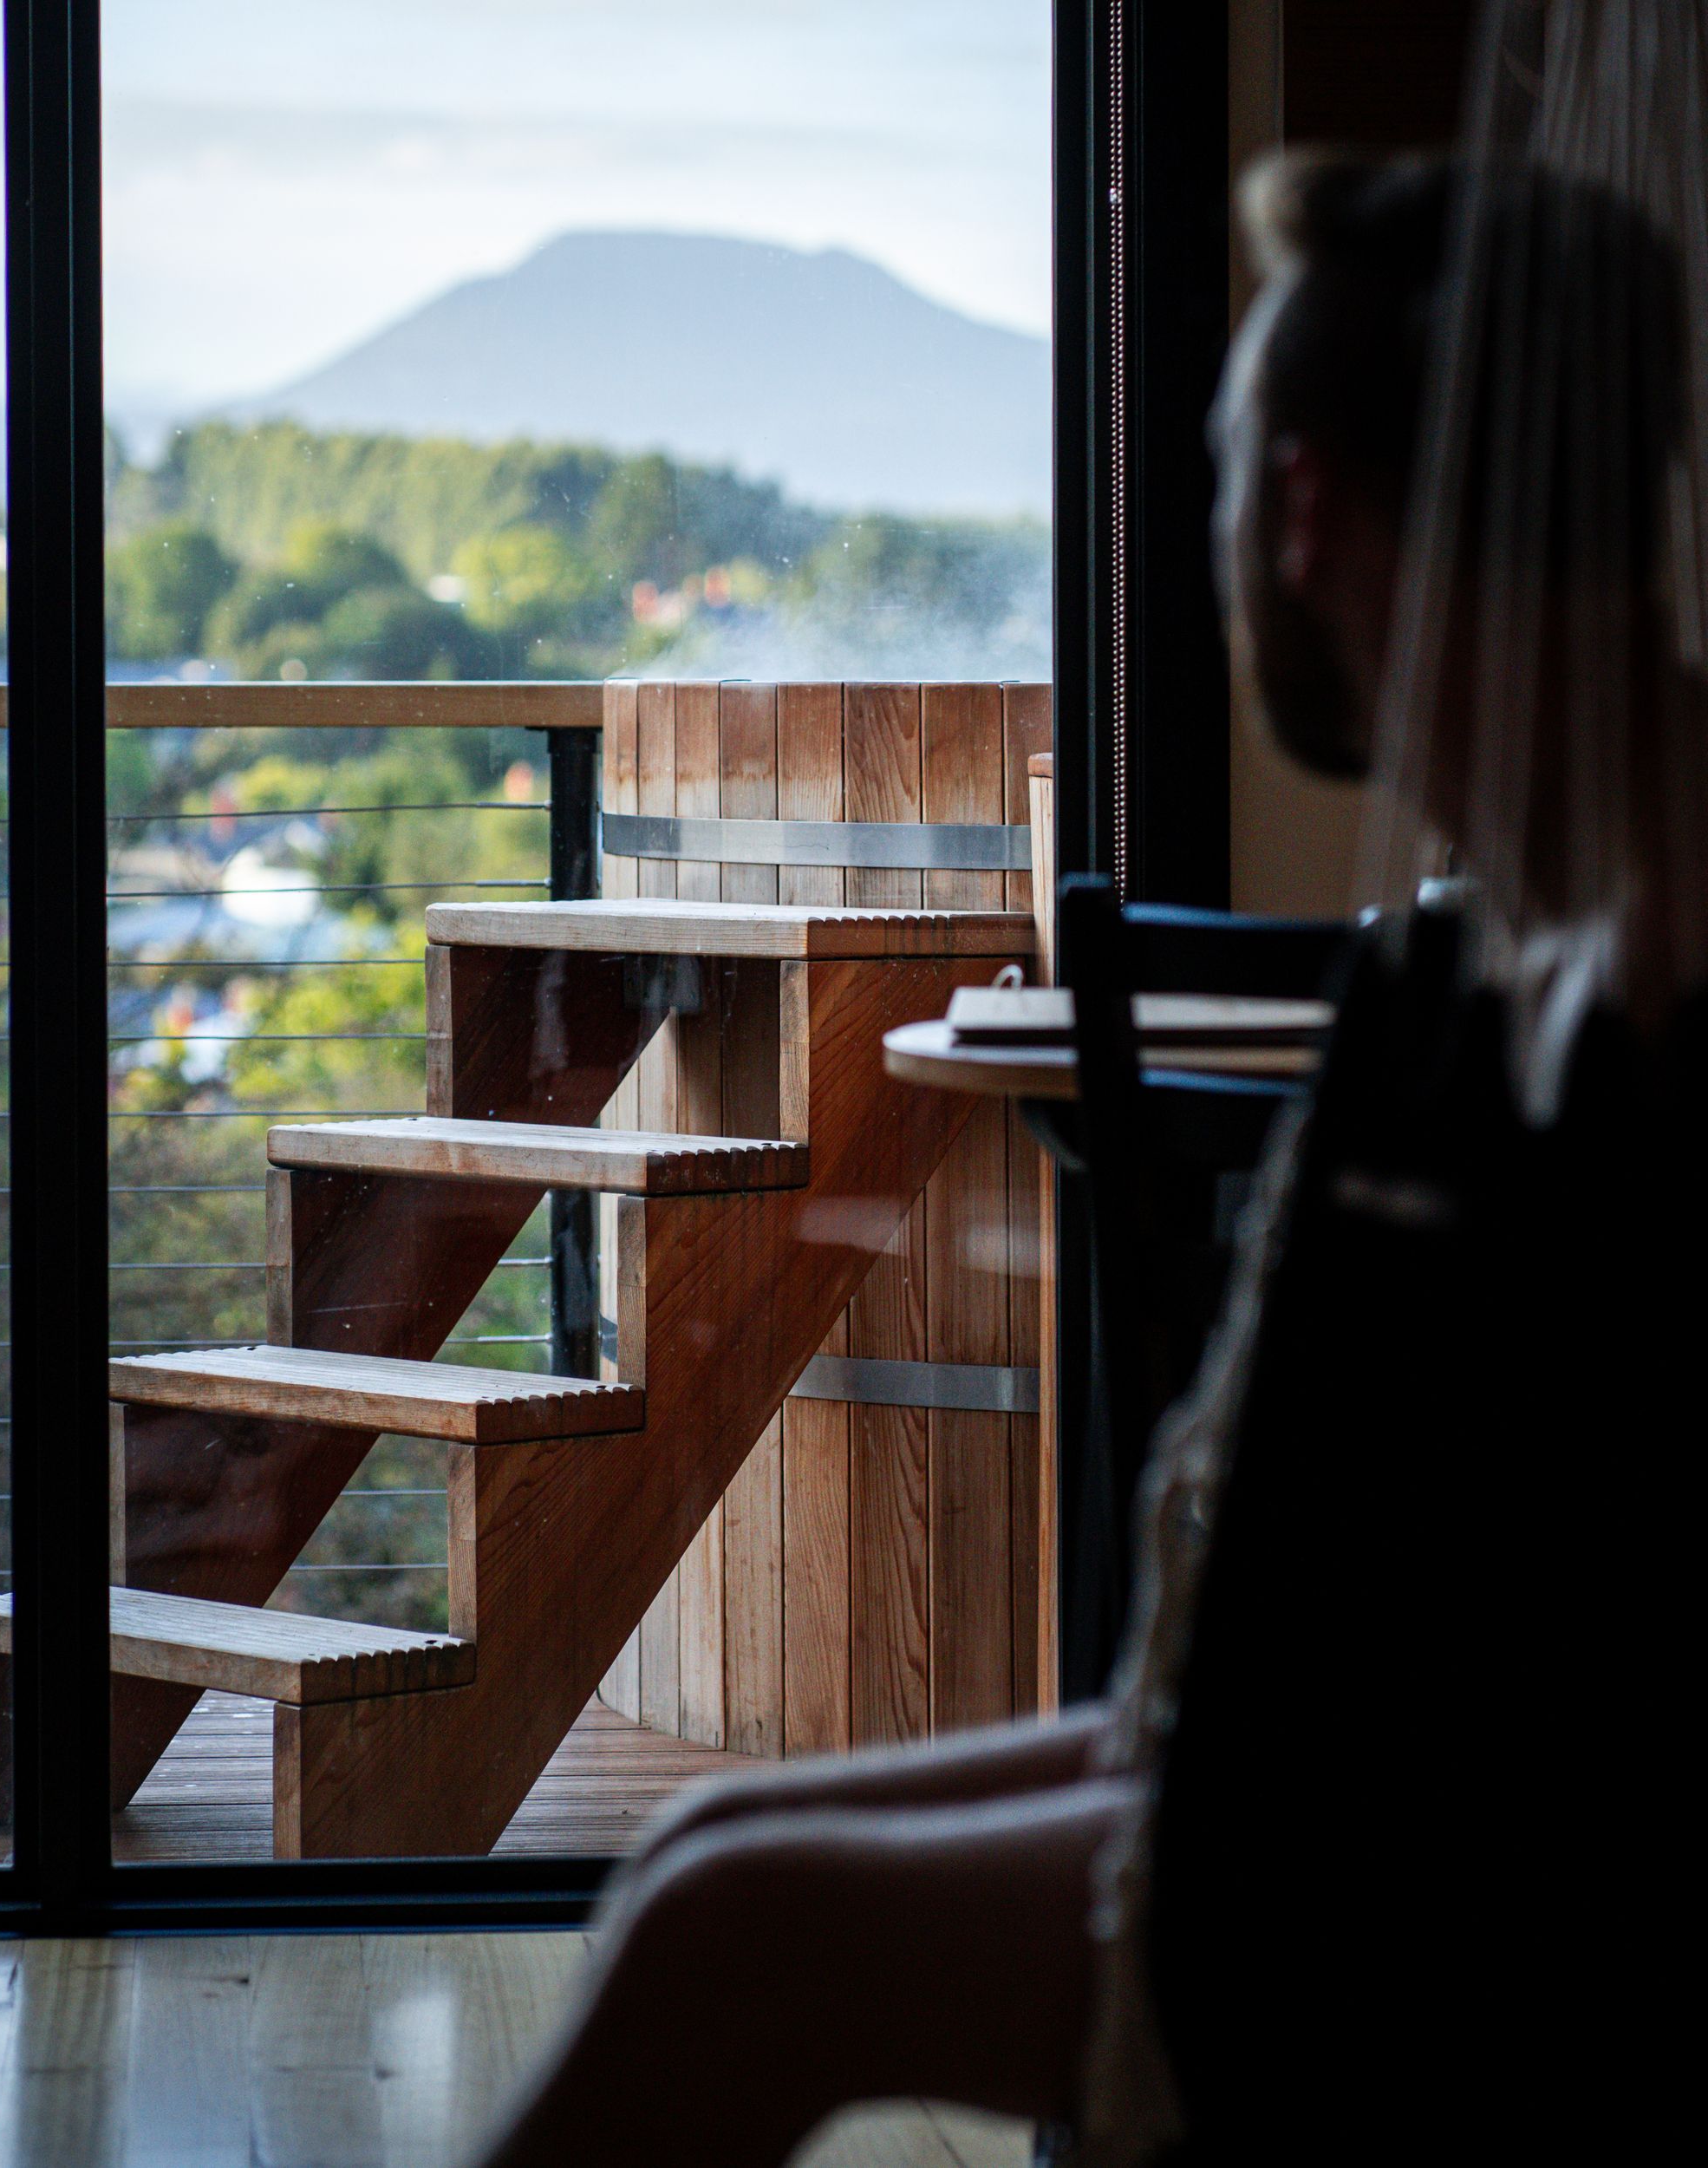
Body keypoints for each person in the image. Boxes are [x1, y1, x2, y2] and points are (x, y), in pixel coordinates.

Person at [474, 148, 1695, 2168]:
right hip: (1331, 1765)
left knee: (731, 1932)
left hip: (1471, 1865)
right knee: (707, 1839)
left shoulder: (1652, 977)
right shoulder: (1487, 959)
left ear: (1298, 509)